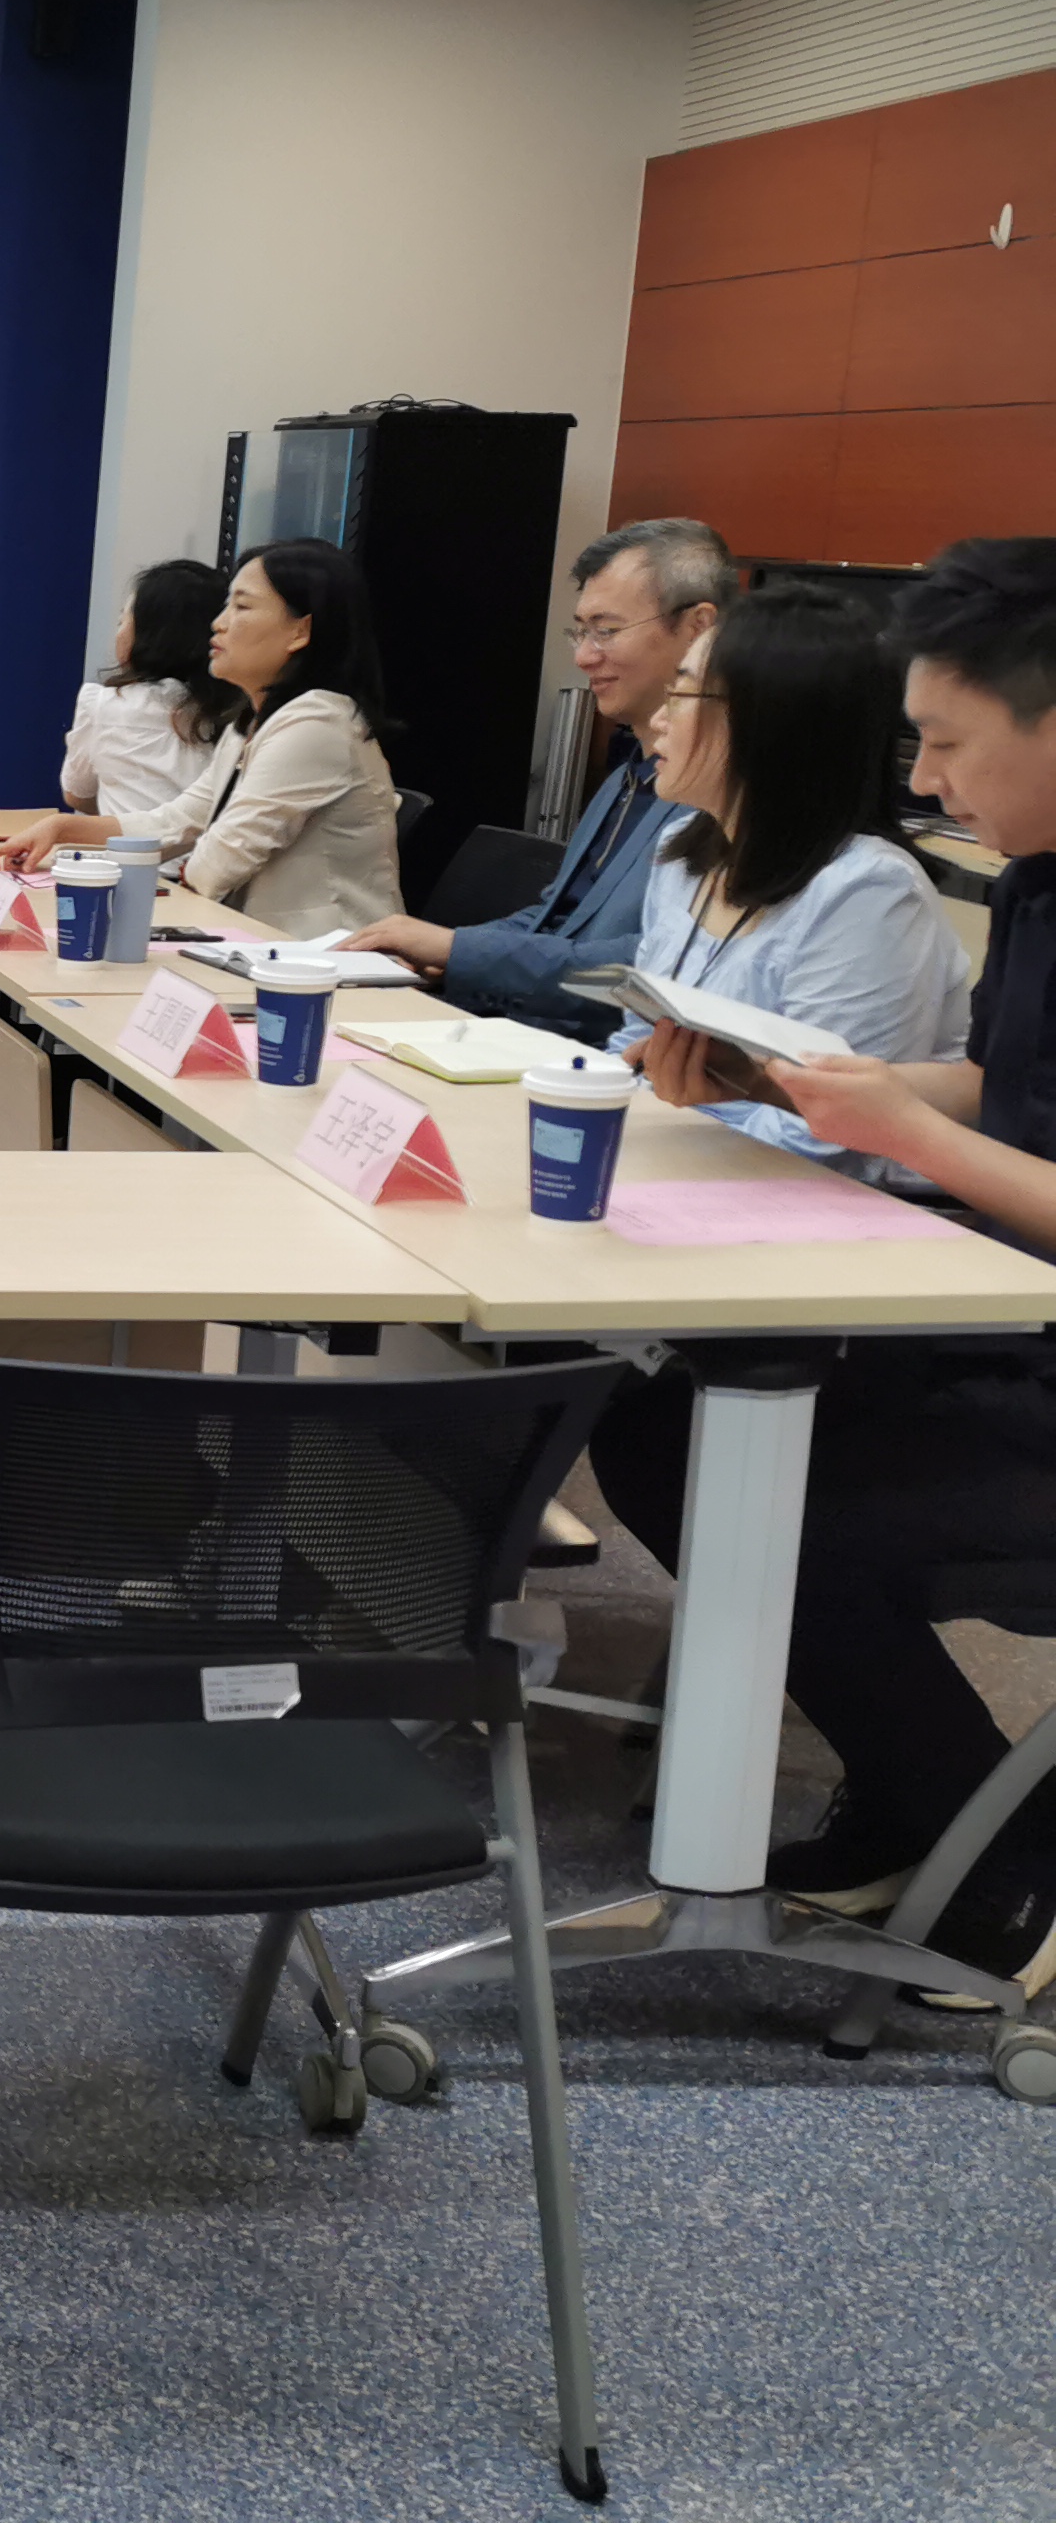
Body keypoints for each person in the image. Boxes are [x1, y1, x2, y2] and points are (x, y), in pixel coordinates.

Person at [587, 538, 1056, 2001]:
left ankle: (1003, 1848)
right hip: (1002, 1315)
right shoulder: (1036, 885)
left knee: (784, 1498)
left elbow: (975, 1139)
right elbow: (1006, 1090)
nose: (925, 781)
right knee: (666, 1431)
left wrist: (903, 1127)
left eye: (950, 745)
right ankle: (930, 1806)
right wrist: (806, 1084)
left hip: (1030, 1354)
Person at [611, 583, 971, 1174]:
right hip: (689, 1162)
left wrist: (668, 1121)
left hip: (820, 1201)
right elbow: (635, 1043)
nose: (656, 719)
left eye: (680, 693)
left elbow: (832, 1141)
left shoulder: (868, 891)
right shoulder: (682, 849)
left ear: (769, 720)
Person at [340, 516, 728, 1042]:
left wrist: (459, 952)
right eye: (581, 631)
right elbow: (555, 918)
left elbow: (658, 966)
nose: (583, 656)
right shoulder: (625, 777)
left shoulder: (719, 795)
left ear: (698, 627)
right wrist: (442, 952)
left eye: (607, 631)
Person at [0, 538, 402, 935]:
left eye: (242, 606)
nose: (219, 622)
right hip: (264, 946)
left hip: (331, 959)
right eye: (225, 605)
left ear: (300, 632)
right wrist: (63, 829)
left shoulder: (318, 723)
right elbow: (177, 821)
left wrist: (168, 874)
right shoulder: (256, 720)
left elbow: (218, 862)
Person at [59, 558, 238, 819]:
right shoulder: (235, 709)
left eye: (122, 621)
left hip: (125, 842)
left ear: (149, 636)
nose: (118, 631)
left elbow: (77, 793)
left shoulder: (104, 703)